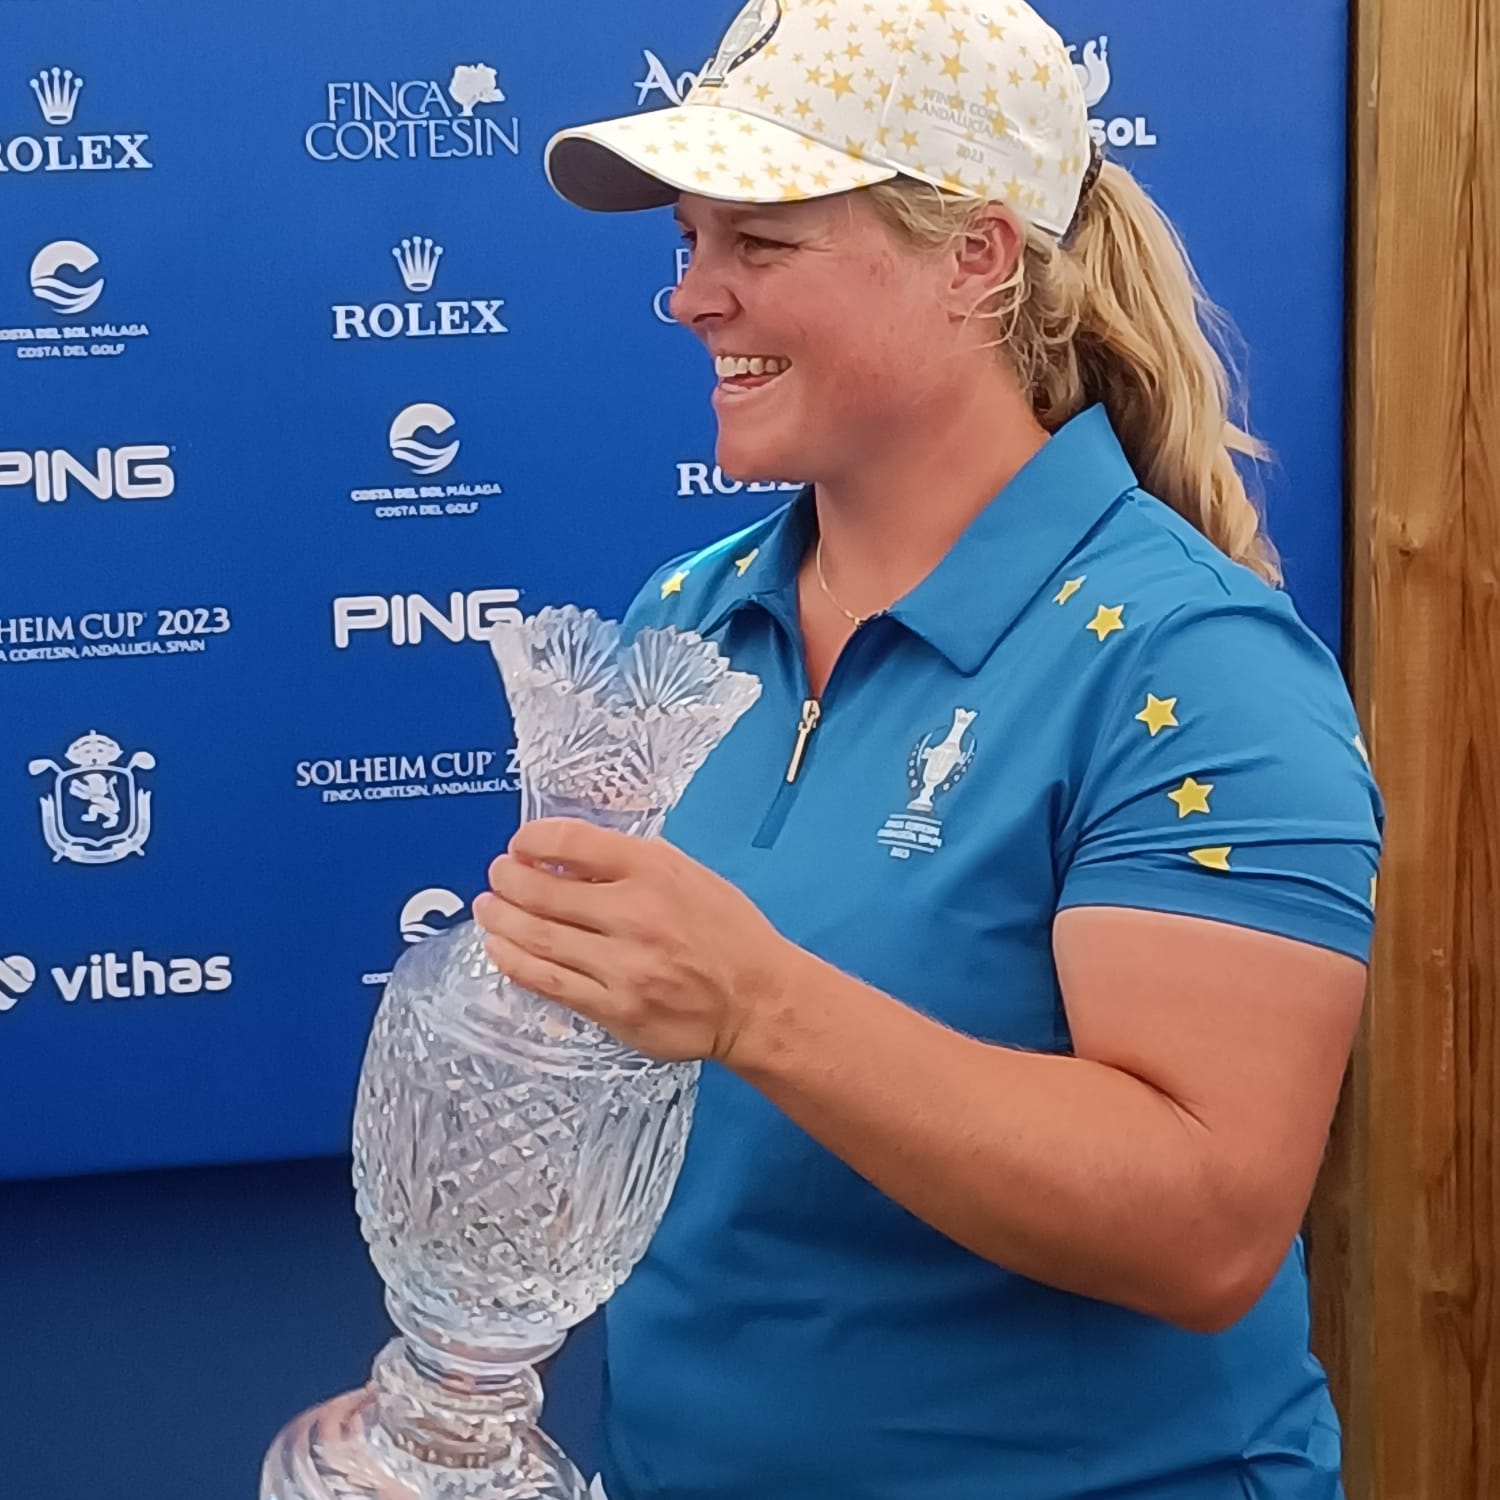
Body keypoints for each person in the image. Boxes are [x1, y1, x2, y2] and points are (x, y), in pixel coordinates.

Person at [471, 1, 1385, 1496]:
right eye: (688, 243)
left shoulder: (1194, 660)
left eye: (761, 242)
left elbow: (1210, 1225)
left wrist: (759, 1004)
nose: (693, 297)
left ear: (976, 256)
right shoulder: (687, 613)